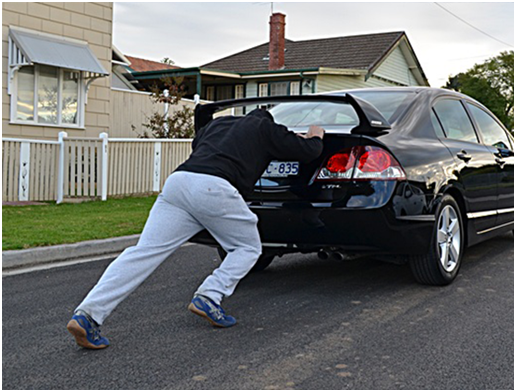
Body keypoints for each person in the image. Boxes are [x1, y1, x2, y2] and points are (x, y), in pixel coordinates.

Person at [67, 108, 325, 349]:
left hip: (178, 183)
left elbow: (200, 145)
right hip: (216, 187)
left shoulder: (218, 124)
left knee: (144, 251)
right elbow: (308, 151)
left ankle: (88, 315)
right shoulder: (266, 128)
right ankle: (211, 295)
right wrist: (316, 135)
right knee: (247, 247)